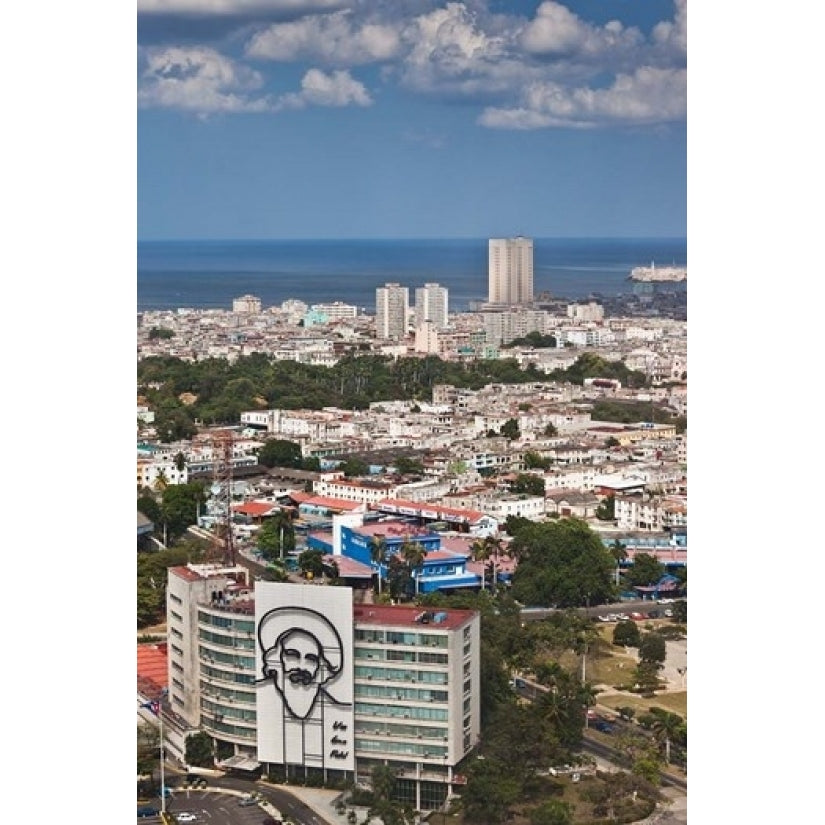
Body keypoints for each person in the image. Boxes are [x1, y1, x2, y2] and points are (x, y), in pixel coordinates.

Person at [256, 606, 352, 769]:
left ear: (321, 667)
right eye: (292, 655)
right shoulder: (261, 696)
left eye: (311, 659)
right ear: (276, 658)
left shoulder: (338, 709)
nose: (301, 666)